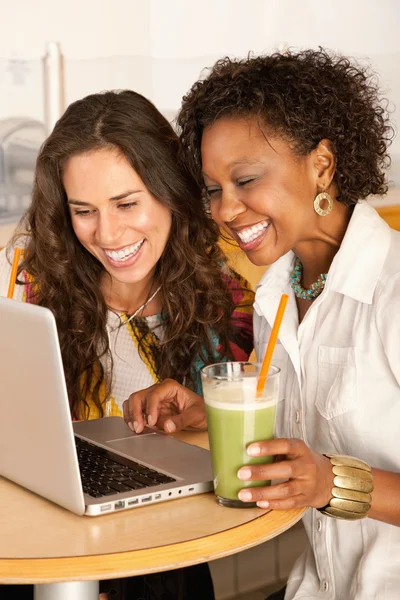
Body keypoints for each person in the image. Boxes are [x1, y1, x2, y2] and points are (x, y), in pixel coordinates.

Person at [125, 49, 400, 599]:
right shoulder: (278, 290)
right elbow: (294, 430)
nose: (225, 210)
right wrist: (210, 411)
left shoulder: (391, 291)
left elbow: (322, 473)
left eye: (246, 179)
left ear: (321, 164)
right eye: (213, 190)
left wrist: (331, 483)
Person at [0, 89, 254, 599]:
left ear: (170, 191)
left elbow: (249, 436)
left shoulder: (225, 300)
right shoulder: (26, 287)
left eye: (127, 203)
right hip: (40, 538)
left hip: (162, 550)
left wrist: (207, 411)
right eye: (83, 210)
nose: (109, 234)